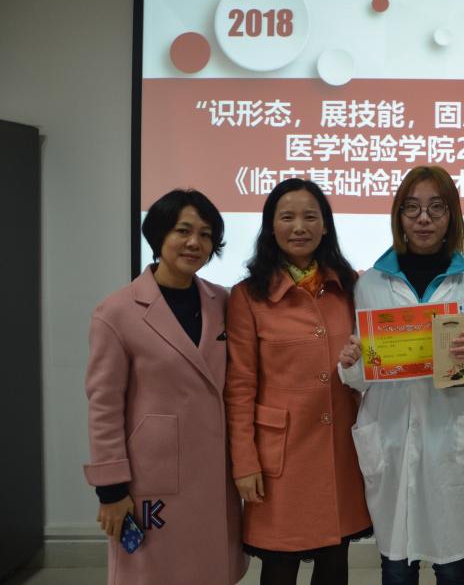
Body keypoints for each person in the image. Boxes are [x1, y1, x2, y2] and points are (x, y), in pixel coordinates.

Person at [337, 165, 464, 585]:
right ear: (399, 216)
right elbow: (360, 376)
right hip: (389, 434)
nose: (424, 218)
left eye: (436, 208)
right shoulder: (370, 284)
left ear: (451, 216)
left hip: (450, 437)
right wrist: (351, 363)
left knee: (453, 567)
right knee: (396, 566)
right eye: (412, 208)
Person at [84, 189, 246, 585]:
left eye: (205, 234)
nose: (195, 243)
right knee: (153, 573)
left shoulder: (224, 303)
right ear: (158, 235)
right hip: (150, 475)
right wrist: (110, 489)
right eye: (182, 231)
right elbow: (104, 406)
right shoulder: (117, 312)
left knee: (210, 571)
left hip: (214, 472)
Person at [224, 178, 371, 585]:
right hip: (281, 457)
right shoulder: (248, 296)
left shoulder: (349, 287)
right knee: (279, 566)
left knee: (334, 562)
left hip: (340, 450)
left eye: (310, 216)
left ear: (325, 226)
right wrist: (244, 463)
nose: (299, 227)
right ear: (271, 227)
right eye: (287, 217)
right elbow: (239, 388)